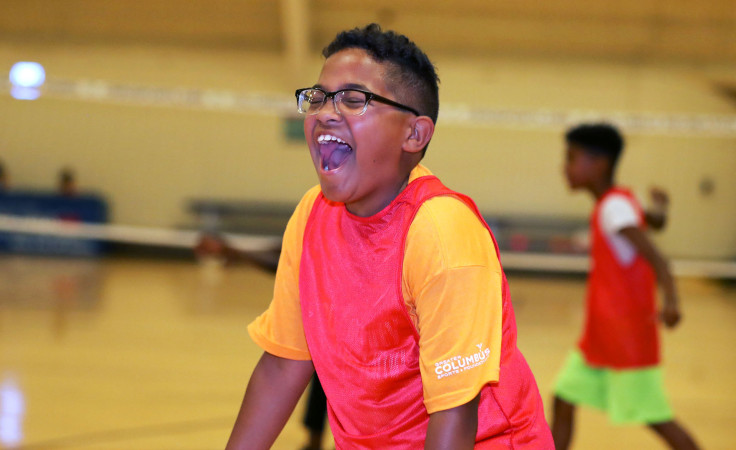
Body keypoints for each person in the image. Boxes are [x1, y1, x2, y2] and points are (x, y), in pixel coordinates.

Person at [227, 24, 553, 449]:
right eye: (319, 96)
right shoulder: (312, 214)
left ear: (414, 134)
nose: (326, 111)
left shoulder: (441, 233)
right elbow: (282, 366)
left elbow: (454, 416)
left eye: (353, 99)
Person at [552, 123, 699, 450]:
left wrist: (672, 300)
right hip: (599, 339)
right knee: (563, 398)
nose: (565, 166)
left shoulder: (613, 208)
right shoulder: (618, 203)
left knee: (657, 418)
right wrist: (660, 209)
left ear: (599, 164)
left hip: (626, 339)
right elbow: (652, 221)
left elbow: (659, 260)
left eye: (572, 158)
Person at [194, 234, 329, 449]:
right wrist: (233, 250)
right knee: (320, 370)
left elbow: (287, 260)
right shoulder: (317, 218)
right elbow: (287, 249)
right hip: (333, 327)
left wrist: (235, 251)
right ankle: (314, 441)